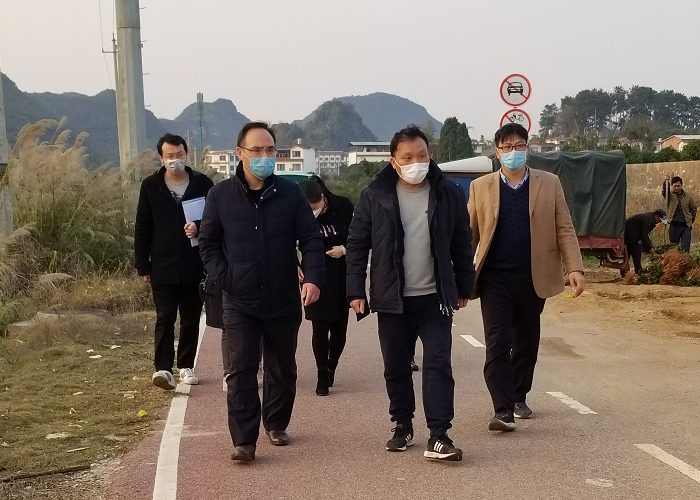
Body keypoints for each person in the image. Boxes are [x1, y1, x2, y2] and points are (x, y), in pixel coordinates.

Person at [346, 125, 474, 462]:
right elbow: (357, 244)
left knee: (438, 364)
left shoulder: (448, 193)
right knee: (396, 366)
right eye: (407, 158)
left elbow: (462, 241)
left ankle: (439, 434)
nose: (416, 163)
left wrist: (465, 285)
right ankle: (402, 425)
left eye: (422, 155)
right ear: (393, 161)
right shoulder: (374, 195)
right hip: (392, 298)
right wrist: (355, 289)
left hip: (435, 297)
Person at [198, 122, 324, 463]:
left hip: (283, 296)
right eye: (257, 150)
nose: (265, 156)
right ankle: (244, 440)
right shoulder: (220, 195)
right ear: (240, 153)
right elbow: (208, 244)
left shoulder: (290, 194)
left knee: (282, 367)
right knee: (240, 370)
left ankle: (276, 423)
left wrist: (313, 278)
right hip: (239, 299)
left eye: (270, 150)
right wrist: (226, 279)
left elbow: (311, 240)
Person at [468, 123, 585, 432]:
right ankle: (502, 408)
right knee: (497, 342)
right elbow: (469, 234)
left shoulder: (549, 183)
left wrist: (575, 267)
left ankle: (519, 395)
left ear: (528, 148)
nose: (513, 152)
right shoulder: (481, 187)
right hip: (494, 278)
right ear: (497, 153)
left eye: (519, 146)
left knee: (526, 342)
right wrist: (459, 274)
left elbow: (564, 227)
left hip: (533, 277)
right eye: (507, 147)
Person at [134, 133, 213, 391]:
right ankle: (163, 369)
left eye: (179, 155)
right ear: (161, 158)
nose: (175, 160)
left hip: (194, 263)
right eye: (170, 156)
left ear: (186, 155)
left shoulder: (203, 183)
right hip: (162, 264)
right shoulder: (151, 186)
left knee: (190, 317)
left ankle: (186, 366)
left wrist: (199, 226)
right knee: (165, 317)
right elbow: (142, 227)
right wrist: (142, 264)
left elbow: (215, 219)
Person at [298, 177, 354, 396]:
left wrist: (344, 249)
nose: (312, 212)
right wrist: (295, 264)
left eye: (314, 207)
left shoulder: (343, 206)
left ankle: (331, 367)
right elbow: (284, 240)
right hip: (314, 275)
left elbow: (359, 235)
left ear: (322, 198)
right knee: (319, 327)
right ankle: (321, 375)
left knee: (339, 328)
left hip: (341, 273)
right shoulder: (295, 211)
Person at [624, 210, 666, 275]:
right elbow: (643, 235)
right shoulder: (648, 221)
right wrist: (649, 248)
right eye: (660, 220)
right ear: (656, 216)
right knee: (636, 252)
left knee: (628, 252)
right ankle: (638, 271)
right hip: (629, 233)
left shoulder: (649, 218)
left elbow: (644, 235)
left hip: (631, 233)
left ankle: (624, 271)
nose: (659, 222)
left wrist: (650, 246)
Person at [662, 176, 697, 252]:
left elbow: (694, 208)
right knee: (674, 248)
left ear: (682, 185)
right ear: (672, 186)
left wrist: (691, 219)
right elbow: (665, 192)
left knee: (685, 248)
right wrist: (665, 183)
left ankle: (685, 259)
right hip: (674, 225)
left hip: (686, 225)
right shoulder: (669, 195)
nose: (677, 188)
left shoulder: (688, 196)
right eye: (675, 186)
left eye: (679, 186)